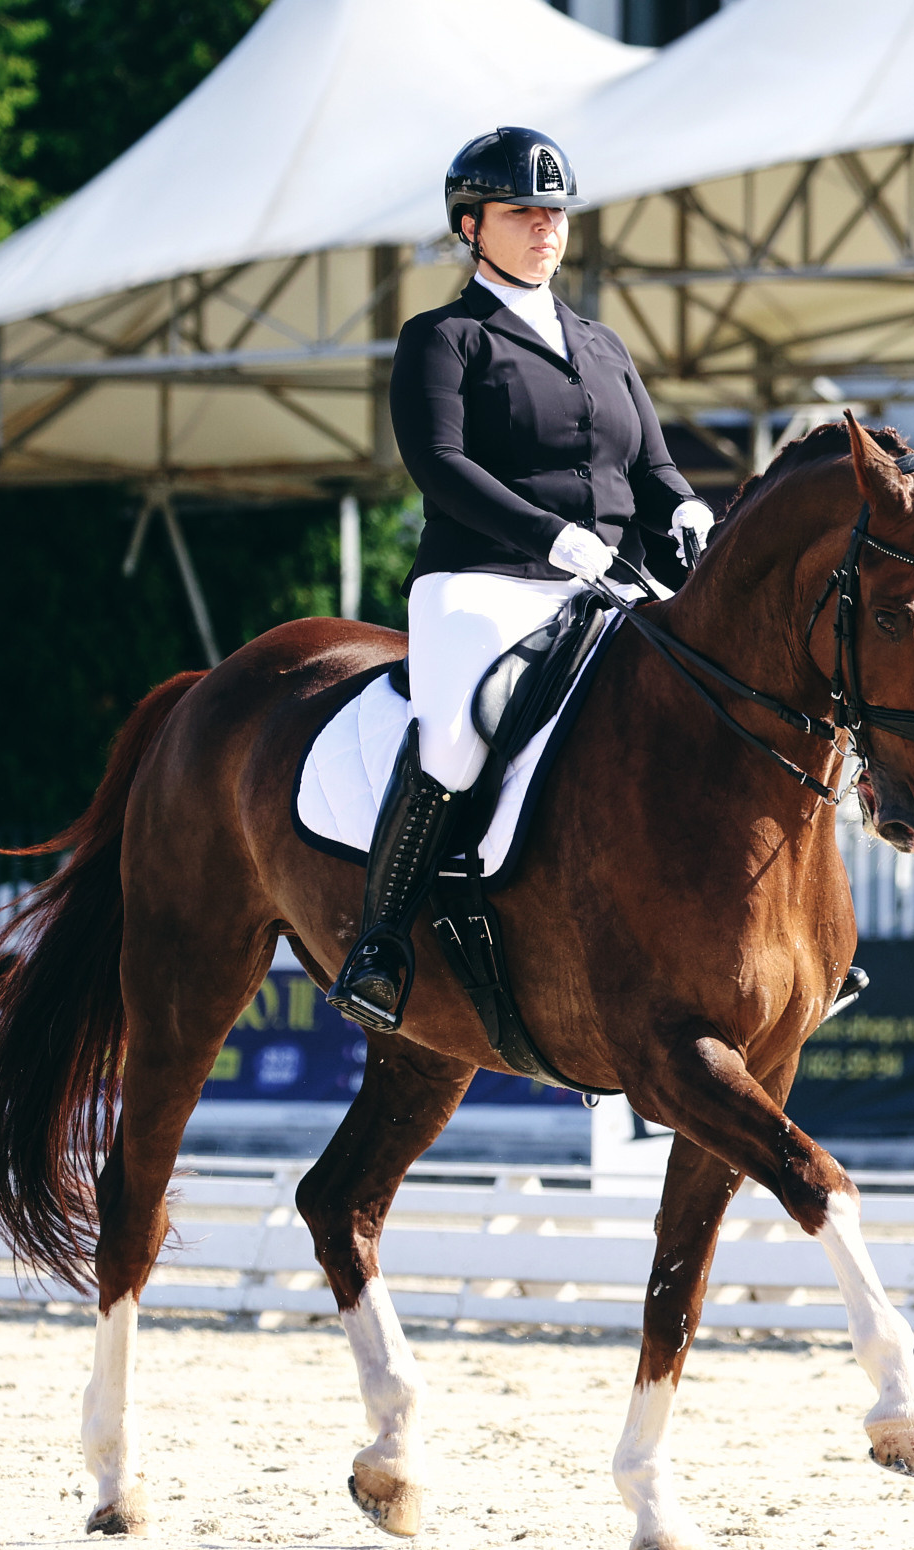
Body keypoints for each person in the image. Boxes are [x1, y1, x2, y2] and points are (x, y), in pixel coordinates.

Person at [323, 126, 710, 1031]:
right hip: (484, 580)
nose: (545, 227)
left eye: (554, 212)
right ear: (471, 226)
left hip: (605, 583)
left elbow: (650, 466)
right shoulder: (444, 339)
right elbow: (442, 466)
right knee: (455, 737)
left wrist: (687, 509)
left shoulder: (603, 344)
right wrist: (552, 534)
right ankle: (382, 945)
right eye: (520, 212)